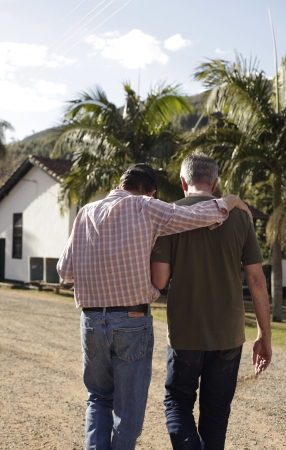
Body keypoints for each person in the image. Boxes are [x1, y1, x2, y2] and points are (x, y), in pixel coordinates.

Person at [57, 162, 251, 450]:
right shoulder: (147, 207)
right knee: (128, 410)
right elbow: (196, 215)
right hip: (132, 318)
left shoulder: (86, 212)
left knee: (98, 398)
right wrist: (231, 201)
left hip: (91, 320)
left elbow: (65, 271)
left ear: (120, 184)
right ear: (151, 190)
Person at [150, 152, 272, 450]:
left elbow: (160, 281)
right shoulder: (241, 216)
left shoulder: (169, 214)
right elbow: (257, 280)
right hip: (228, 335)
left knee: (178, 403)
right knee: (216, 416)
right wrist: (264, 335)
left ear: (182, 182)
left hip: (185, 333)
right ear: (215, 184)